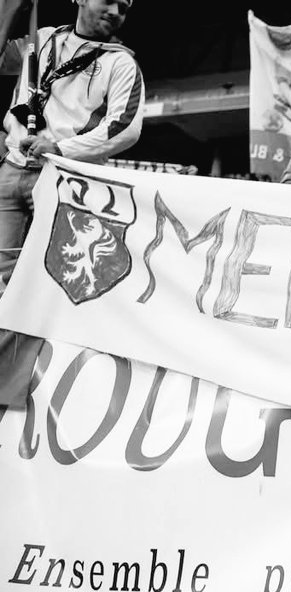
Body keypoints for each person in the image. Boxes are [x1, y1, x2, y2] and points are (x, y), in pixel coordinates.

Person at [0, 0, 142, 405]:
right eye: (109, 0)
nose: (116, 10)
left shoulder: (121, 64)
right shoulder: (42, 40)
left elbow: (124, 127)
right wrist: (17, 131)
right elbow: (15, 100)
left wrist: (58, 145)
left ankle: (30, 396)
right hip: (12, 170)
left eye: (125, 7)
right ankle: (7, 389)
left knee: (48, 284)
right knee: (3, 281)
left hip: (63, 179)